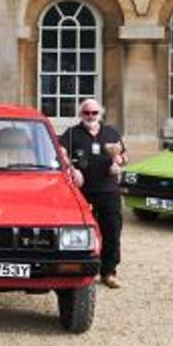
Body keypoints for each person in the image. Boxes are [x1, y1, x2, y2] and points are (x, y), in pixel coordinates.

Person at [59, 98, 128, 288]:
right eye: (86, 113)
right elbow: (60, 152)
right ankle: (79, 270)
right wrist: (72, 169)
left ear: (100, 114)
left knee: (112, 230)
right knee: (79, 233)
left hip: (108, 191)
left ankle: (109, 272)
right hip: (82, 192)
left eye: (94, 113)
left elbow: (124, 155)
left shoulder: (111, 132)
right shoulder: (72, 134)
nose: (90, 116)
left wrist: (119, 162)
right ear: (81, 114)